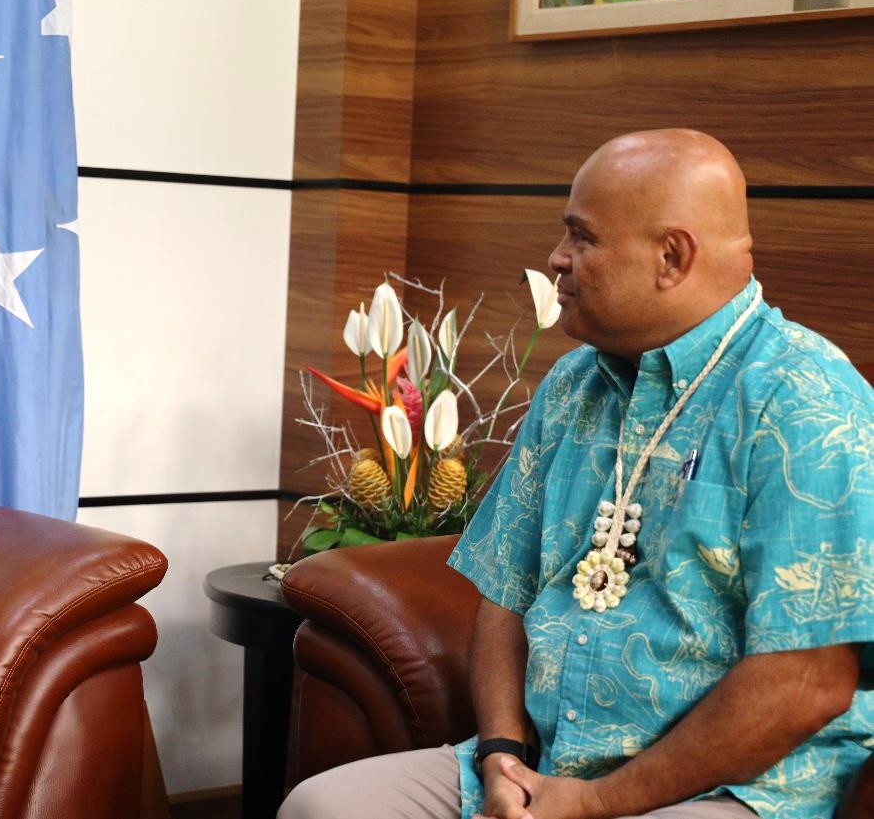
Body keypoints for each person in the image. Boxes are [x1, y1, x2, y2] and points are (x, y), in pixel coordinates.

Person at [279, 129, 873, 819]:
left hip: (737, 786)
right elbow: (505, 596)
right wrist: (500, 752)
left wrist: (598, 800)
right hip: (547, 768)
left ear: (672, 257)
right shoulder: (572, 383)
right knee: (322, 805)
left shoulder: (807, 399)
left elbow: (806, 682)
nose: (556, 259)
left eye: (581, 237)